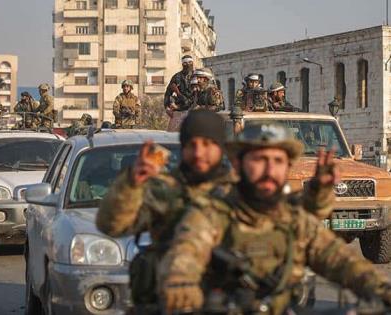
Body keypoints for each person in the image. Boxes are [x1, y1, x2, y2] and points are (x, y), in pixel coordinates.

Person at [158, 122, 391, 315]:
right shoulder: (210, 214)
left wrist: (380, 290)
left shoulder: (295, 221)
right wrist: (182, 289)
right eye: (259, 160)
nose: (270, 170)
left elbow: (340, 261)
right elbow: (184, 257)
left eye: (278, 161)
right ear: (238, 164)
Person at [97, 110, 237, 315]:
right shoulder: (164, 189)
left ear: (221, 147)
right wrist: (131, 185)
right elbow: (111, 225)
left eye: (207, 144)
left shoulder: (239, 191)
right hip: (166, 302)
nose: (198, 153)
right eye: (192, 145)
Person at [165, 55, 195, 131]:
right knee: (172, 135)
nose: (188, 65)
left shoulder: (197, 75)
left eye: (190, 62)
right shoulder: (177, 77)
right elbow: (168, 93)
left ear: (192, 63)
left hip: (193, 111)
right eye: (185, 63)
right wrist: (167, 108)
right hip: (178, 111)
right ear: (182, 64)